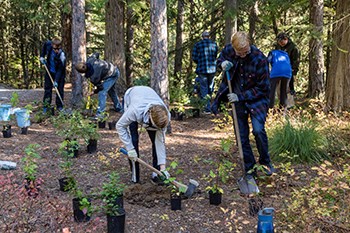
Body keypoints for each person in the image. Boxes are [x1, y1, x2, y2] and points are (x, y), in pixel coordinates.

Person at [217, 31, 275, 178]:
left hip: (257, 99)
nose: (243, 55)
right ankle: (250, 169)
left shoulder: (259, 59)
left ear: (249, 44)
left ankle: (265, 162)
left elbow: (264, 88)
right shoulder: (229, 50)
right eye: (239, 53)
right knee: (241, 136)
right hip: (236, 98)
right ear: (234, 48)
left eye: (245, 52)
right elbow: (221, 58)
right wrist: (222, 63)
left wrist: (240, 96)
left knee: (258, 130)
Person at [116, 86, 171, 184]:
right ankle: (135, 178)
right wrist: (130, 148)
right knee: (133, 140)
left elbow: (160, 142)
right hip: (131, 96)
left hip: (147, 94)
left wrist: (163, 167)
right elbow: (120, 126)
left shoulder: (165, 117)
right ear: (149, 117)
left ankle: (157, 174)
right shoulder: (134, 110)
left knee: (156, 142)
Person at [75, 53, 123, 118]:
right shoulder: (90, 59)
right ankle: (119, 108)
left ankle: (100, 114)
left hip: (113, 75)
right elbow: (97, 53)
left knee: (102, 92)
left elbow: (100, 87)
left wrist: (93, 92)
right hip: (113, 69)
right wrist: (100, 62)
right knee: (111, 91)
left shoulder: (94, 77)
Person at [192, 31, 219, 114]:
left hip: (202, 69)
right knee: (210, 87)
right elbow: (215, 55)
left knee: (204, 88)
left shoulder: (198, 45)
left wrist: (199, 62)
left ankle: (207, 108)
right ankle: (209, 106)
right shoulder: (214, 44)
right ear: (208, 36)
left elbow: (194, 57)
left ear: (202, 37)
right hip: (212, 69)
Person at [39, 37, 66, 112]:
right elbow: (44, 47)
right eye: (55, 49)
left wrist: (56, 80)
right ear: (52, 45)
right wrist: (42, 56)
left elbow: (60, 70)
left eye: (58, 49)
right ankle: (46, 106)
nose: (56, 51)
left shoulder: (62, 56)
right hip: (49, 71)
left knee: (59, 90)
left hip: (59, 74)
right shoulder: (48, 44)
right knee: (47, 89)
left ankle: (59, 106)